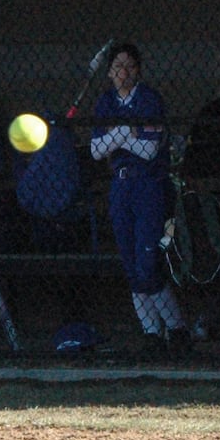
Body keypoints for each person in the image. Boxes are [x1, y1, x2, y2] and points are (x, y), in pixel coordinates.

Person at [89, 42, 189, 353]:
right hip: (120, 187)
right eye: (118, 66)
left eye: (130, 66)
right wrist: (125, 132)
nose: (124, 72)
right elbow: (95, 151)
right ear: (109, 72)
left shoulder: (148, 99)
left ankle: (176, 329)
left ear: (139, 70)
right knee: (131, 264)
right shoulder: (105, 103)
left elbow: (149, 150)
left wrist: (114, 137)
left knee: (148, 263)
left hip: (148, 186)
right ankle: (151, 332)